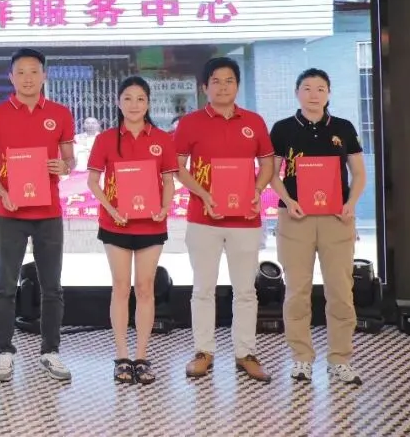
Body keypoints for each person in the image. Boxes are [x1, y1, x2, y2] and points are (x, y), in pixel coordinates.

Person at [174, 57, 275, 383]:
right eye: (215, 81)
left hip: (245, 219)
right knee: (203, 289)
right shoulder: (190, 123)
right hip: (203, 218)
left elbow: (268, 165)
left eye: (229, 80)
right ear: (205, 87)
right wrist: (203, 194)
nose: (222, 87)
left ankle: (245, 353)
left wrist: (256, 191)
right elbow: (178, 168)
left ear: (237, 85)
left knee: (245, 290)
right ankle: (203, 352)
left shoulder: (254, 122)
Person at [0, 48, 76, 382]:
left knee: (52, 287)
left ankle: (50, 351)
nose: (27, 78)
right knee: (5, 286)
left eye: (34, 71)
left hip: (49, 211)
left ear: (44, 75)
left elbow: (70, 160)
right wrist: (3, 192)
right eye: (20, 72)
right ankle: (4, 352)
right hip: (11, 211)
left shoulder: (60, 114)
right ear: (11, 77)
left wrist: (64, 166)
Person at [269, 68, 366, 385]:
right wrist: (288, 201)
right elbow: (271, 174)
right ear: (297, 93)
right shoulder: (283, 129)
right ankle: (301, 358)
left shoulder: (343, 127)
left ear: (329, 93)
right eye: (307, 88)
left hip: (337, 219)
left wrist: (351, 203)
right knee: (297, 292)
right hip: (294, 219)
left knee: (341, 291)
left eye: (321, 88)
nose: (314, 94)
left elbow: (359, 173)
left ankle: (340, 359)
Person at [86, 76, 176, 385]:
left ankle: (141, 356)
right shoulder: (105, 139)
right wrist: (111, 210)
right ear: (118, 102)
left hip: (152, 223)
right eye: (128, 98)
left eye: (140, 99)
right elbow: (93, 182)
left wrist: (164, 208)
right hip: (115, 223)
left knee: (145, 287)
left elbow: (168, 182)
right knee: (121, 287)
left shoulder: (162, 139)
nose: (134, 105)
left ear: (148, 103)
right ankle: (122, 357)